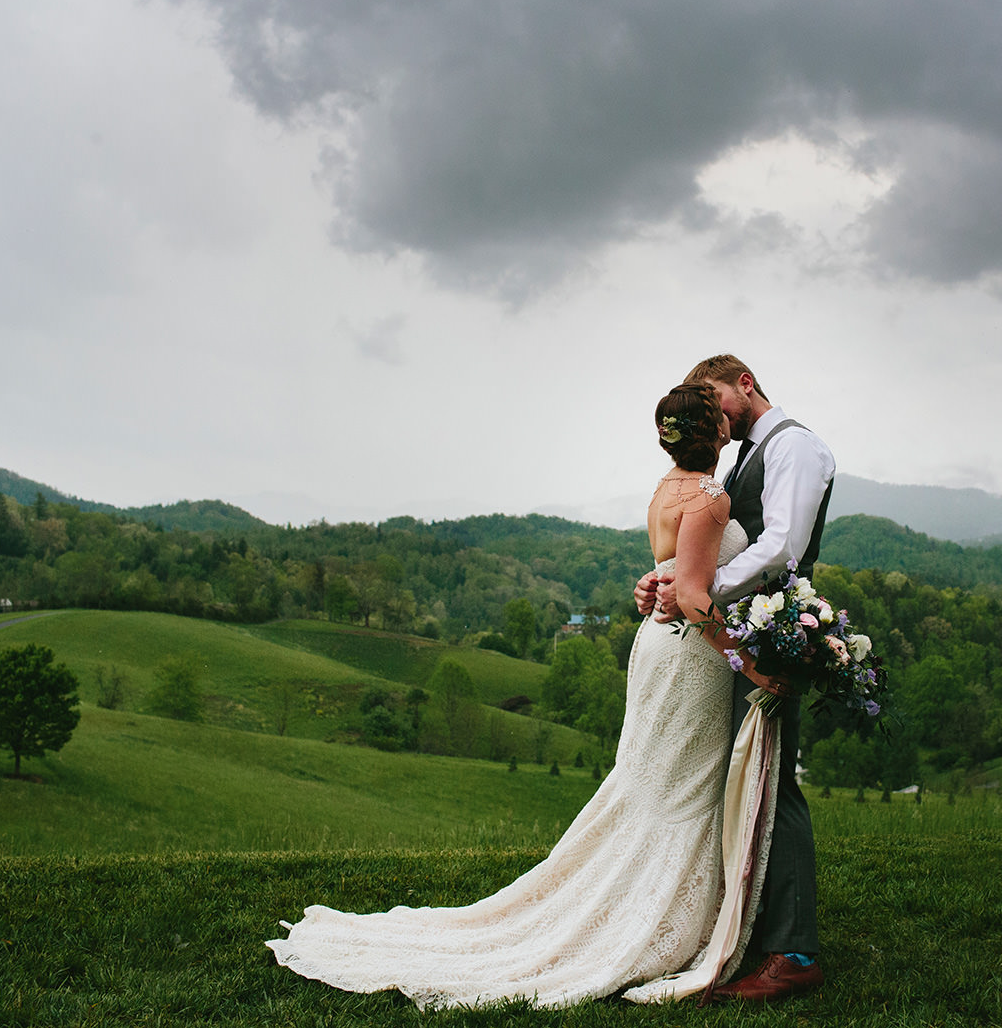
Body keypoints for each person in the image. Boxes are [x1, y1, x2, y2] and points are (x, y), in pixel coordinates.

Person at [265, 383, 793, 1010]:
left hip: (656, 648)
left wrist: (661, 591)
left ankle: (631, 897)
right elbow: (700, 600)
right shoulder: (710, 498)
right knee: (678, 787)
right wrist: (751, 667)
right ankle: (644, 914)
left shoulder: (664, 490)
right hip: (688, 657)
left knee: (655, 783)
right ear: (719, 433)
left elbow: (670, 574)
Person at [635, 353, 836, 1003]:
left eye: (716, 397)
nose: (713, 414)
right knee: (736, 782)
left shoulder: (796, 447)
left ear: (744, 384)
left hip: (766, 636)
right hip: (729, 634)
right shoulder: (737, 460)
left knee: (775, 785)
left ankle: (794, 951)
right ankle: (740, 924)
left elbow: (781, 545)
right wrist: (674, 581)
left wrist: (696, 589)